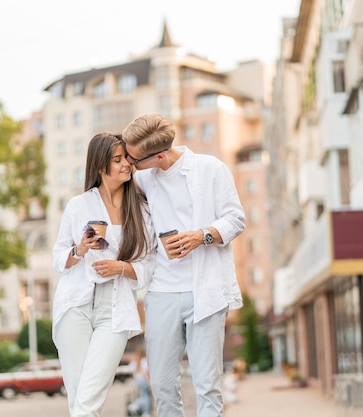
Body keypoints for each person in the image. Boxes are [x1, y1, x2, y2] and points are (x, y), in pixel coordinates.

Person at [122, 113, 246, 417]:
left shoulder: (210, 169)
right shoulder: (141, 178)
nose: (128, 163)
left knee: (207, 385)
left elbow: (236, 219)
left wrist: (200, 236)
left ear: (160, 155)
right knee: (162, 385)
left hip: (205, 291)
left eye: (134, 159)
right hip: (162, 292)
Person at [52, 133, 156, 417]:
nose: (127, 165)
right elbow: (58, 258)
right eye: (118, 160)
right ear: (101, 166)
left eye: (127, 159)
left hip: (116, 310)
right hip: (75, 304)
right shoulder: (79, 205)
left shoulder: (141, 209)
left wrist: (121, 267)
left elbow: (149, 266)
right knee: (79, 399)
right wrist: (80, 249)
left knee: (89, 398)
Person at [126, 345, 151, 417]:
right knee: (146, 395)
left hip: (138, 379)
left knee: (143, 394)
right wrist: (148, 381)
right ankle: (143, 410)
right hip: (143, 379)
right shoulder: (144, 360)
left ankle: (143, 410)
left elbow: (132, 372)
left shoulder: (135, 361)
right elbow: (146, 372)